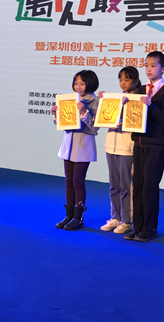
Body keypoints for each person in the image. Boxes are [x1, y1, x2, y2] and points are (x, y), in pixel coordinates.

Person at [124, 52, 164, 242]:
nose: (148, 69)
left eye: (153, 66)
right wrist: (124, 103)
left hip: (155, 145)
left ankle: (150, 228)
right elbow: (132, 115)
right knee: (138, 185)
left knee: (150, 187)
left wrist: (151, 105)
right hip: (139, 143)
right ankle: (137, 227)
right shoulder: (141, 90)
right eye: (146, 65)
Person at [52, 70, 100, 231]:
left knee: (78, 181)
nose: (78, 86)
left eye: (82, 83)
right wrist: (56, 115)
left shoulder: (95, 102)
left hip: (83, 144)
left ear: (90, 84)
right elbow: (63, 124)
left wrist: (83, 112)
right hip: (68, 143)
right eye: (76, 83)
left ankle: (78, 218)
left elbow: (95, 127)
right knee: (68, 181)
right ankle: (69, 215)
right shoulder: (70, 100)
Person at [99, 66, 141, 235]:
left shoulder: (137, 100)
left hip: (126, 148)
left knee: (126, 187)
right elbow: (104, 119)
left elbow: (137, 122)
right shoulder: (115, 99)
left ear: (136, 82)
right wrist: (104, 104)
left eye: (127, 79)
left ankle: (127, 220)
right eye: (121, 79)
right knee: (114, 186)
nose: (123, 83)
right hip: (111, 146)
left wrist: (126, 106)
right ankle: (115, 217)